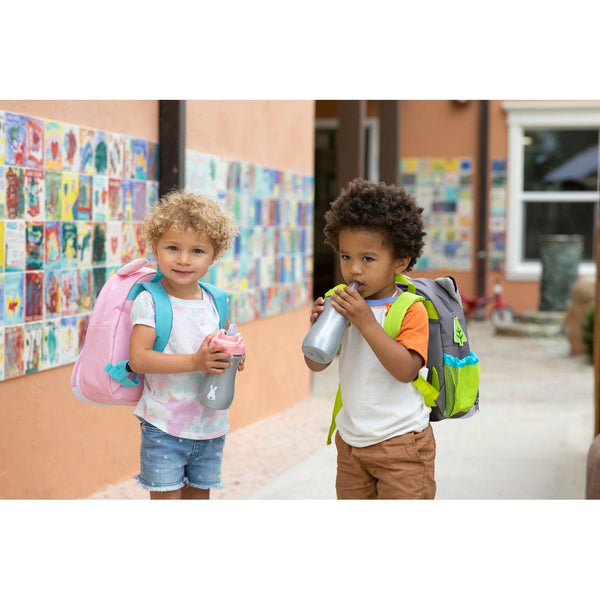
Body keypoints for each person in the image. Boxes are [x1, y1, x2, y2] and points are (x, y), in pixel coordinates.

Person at [305, 178, 435, 499]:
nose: (354, 270)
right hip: (351, 443)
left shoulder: (410, 308)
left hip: (401, 444)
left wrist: (366, 322)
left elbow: (406, 371)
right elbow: (315, 363)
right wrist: (317, 330)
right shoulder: (339, 301)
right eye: (346, 257)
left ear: (400, 262)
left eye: (368, 259)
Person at [128, 189, 243, 500]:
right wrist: (196, 361)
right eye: (173, 247)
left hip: (210, 427)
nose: (183, 259)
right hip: (164, 429)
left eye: (197, 251)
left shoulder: (217, 300)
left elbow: (215, 353)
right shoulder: (150, 300)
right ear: (155, 247)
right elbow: (138, 359)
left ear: (214, 255)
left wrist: (231, 359)